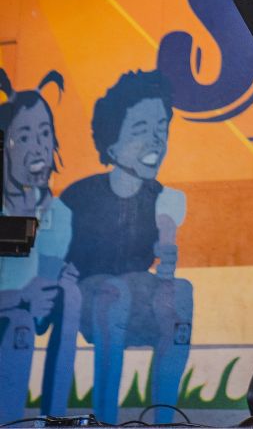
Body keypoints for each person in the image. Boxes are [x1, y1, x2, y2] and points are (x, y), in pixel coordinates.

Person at [62, 70, 192, 425]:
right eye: (140, 130)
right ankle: (104, 418)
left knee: (182, 294)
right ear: (111, 142)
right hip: (92, 296)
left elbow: (165, 242)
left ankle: (163, 418)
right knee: (113, 292)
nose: (155, 140)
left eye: (161, 128)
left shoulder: (163, 198)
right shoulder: (79, 197)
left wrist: (167, 259)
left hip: (136, 293)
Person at [0, 71, 79, 423]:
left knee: (71, 295)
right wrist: (20, 297)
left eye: (45, 134)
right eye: (25, 135)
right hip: (12, 310)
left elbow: (44, 286)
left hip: (22, 313)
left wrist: (58, 284)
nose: (38, 146)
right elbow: (25, 298)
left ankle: (54, 418)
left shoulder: (56, 213)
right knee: (18, 319)